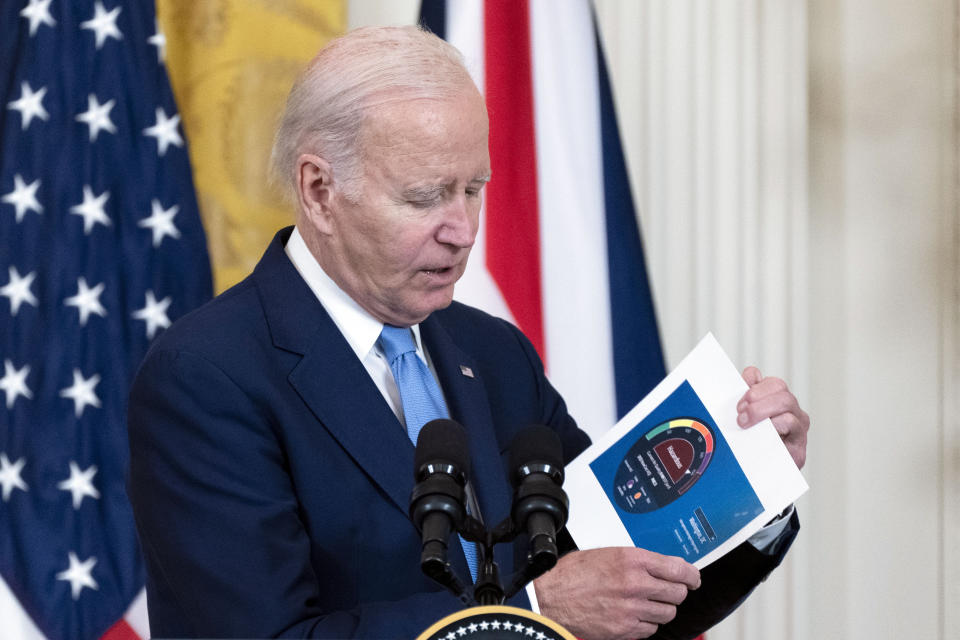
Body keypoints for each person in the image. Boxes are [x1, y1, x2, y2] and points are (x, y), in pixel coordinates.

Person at [126, 26, 808, 640]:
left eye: (473, 189)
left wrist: (751, 478)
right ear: (318, 191)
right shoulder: (207, 374)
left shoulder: (493, 351)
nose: (462, 230)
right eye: (424, 197)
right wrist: (530, 615)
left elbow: (620, 587)